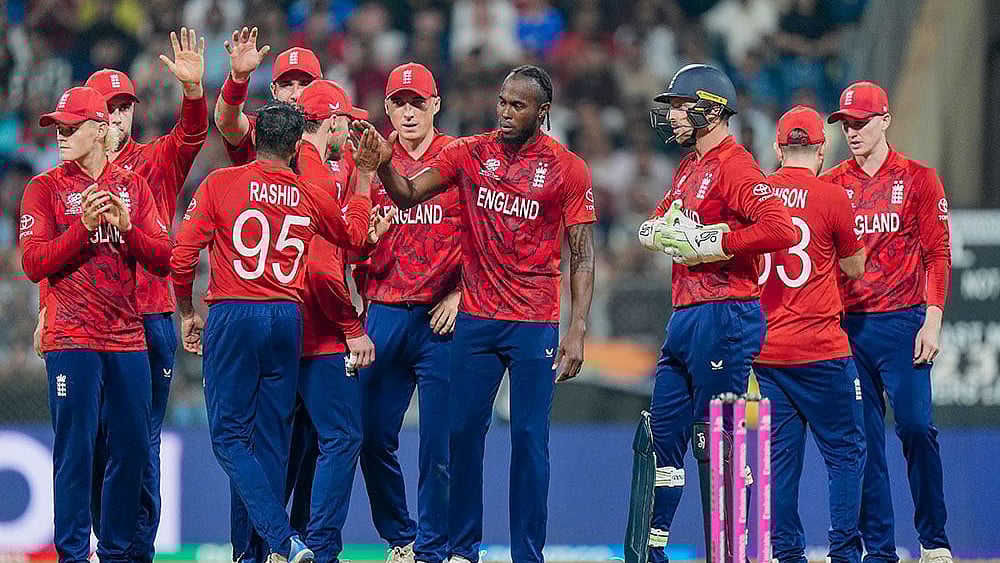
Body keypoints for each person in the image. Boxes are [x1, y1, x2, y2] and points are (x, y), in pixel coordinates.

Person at [355, 64, 596, 563]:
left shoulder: (568, 168)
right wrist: (381, 166)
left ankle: (528, 554)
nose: (505, 113)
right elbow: (407, 193)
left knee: (530, 440)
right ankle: (464, 550)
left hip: (534, 321)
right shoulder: (469, 153)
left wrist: (576, 329)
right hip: (478, 320)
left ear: (542, 112)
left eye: (518, 105)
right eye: (502, 102)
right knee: (461, 436)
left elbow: (583, 254)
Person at [169, 100, 378, 563]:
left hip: (234, 314)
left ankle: (280, 543)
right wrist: (363, 180)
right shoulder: (308, 193)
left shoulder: (221, 183)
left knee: (228, 438)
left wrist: (185, 311)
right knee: (270, 443)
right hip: (288, 319)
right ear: (297, 143)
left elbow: (182, 257)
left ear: (258, 135)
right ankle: (263, 552)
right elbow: (355, 236)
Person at [37, 28, 209, 562]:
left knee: (141, 444)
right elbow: (44, 258)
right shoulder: (55, 183)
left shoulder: (153, 163)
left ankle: (134, 551)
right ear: (89, 117)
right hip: (85, 328)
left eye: (124, 107)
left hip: (148, 320)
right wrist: (47, 311)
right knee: (91, 446)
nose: (116, 116)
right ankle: (98, 541)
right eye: (107, 107)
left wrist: (194, 91)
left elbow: (193, 133)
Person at [634, 63, 797, 562]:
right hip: (686, 315)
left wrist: (717, 240)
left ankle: (728, 554)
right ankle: (652, 550)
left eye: (680, 107)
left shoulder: (736, 166)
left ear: (708, 107)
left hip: (726, 314)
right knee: (661, 440)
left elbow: (782, 229)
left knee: (716, 447)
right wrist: (657, 231)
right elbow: (661, 219)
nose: (673, 117)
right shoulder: (691, 165)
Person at [19, 85, 172, 562]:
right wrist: (81, 229)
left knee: (129, 453)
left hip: (128, 339)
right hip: (72, 338)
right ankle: (71, 555)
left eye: (70, 128)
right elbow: (33, 262)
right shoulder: (43, 189)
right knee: (76, 453)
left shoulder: (135, 189)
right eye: (57, 128)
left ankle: (117, 552)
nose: (61, 136)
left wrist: (128, 228)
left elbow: (165, 258)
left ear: (100, 131)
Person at [821, 81, 954, 563]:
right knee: (864, 443)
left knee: (917, 428)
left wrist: (933, 319)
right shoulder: (831, 183)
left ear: (885, 120)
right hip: (848, 328)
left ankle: (934, 540)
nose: (852, 131)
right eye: (846, 123)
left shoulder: (920, 179)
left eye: (860, 122)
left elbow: (938, 253)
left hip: (903, 325)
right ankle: (880, 551)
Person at [356, 62, 461, 563]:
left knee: (439, 446)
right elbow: (350, 234)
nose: (408, 111)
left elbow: (485, 238)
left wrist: (461, 294)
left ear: (435, 104)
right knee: (371, 435)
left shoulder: (458, 158)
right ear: (387, 108)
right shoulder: (371, 160)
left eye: (417, 102)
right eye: (398, 102)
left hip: (440, 319)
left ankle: (433, 551)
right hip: (385, 312)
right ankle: (401, 536)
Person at [754, 105, 868, 563]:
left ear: (778, 148)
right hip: (821, 348)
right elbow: (855, 266)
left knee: (782, 461)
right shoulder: (832, 196)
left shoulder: (757, 194)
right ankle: (842, 554)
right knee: (845, 452)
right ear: (822, 149)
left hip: (767, 351)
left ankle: (788, 555)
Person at [292, 78, 376, 563]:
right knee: (342, 436)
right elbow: (324, 269)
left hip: (280, 318)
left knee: (272, 445)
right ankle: (319, 548)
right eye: (349, 122)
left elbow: (338, 245)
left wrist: (363, 237)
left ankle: (269, 546)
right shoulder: (320, 174)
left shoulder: (292, 166)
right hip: (318, 328)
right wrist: (352, 328)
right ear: (337, 122)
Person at [214, 26, 321, 165]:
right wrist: (238, 79)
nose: (296, 94)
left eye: (305, 84)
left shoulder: (338, 139)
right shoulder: (262, 132)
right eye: (286, 85)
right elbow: (225, 121)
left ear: (321, 88)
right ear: (273, 91)